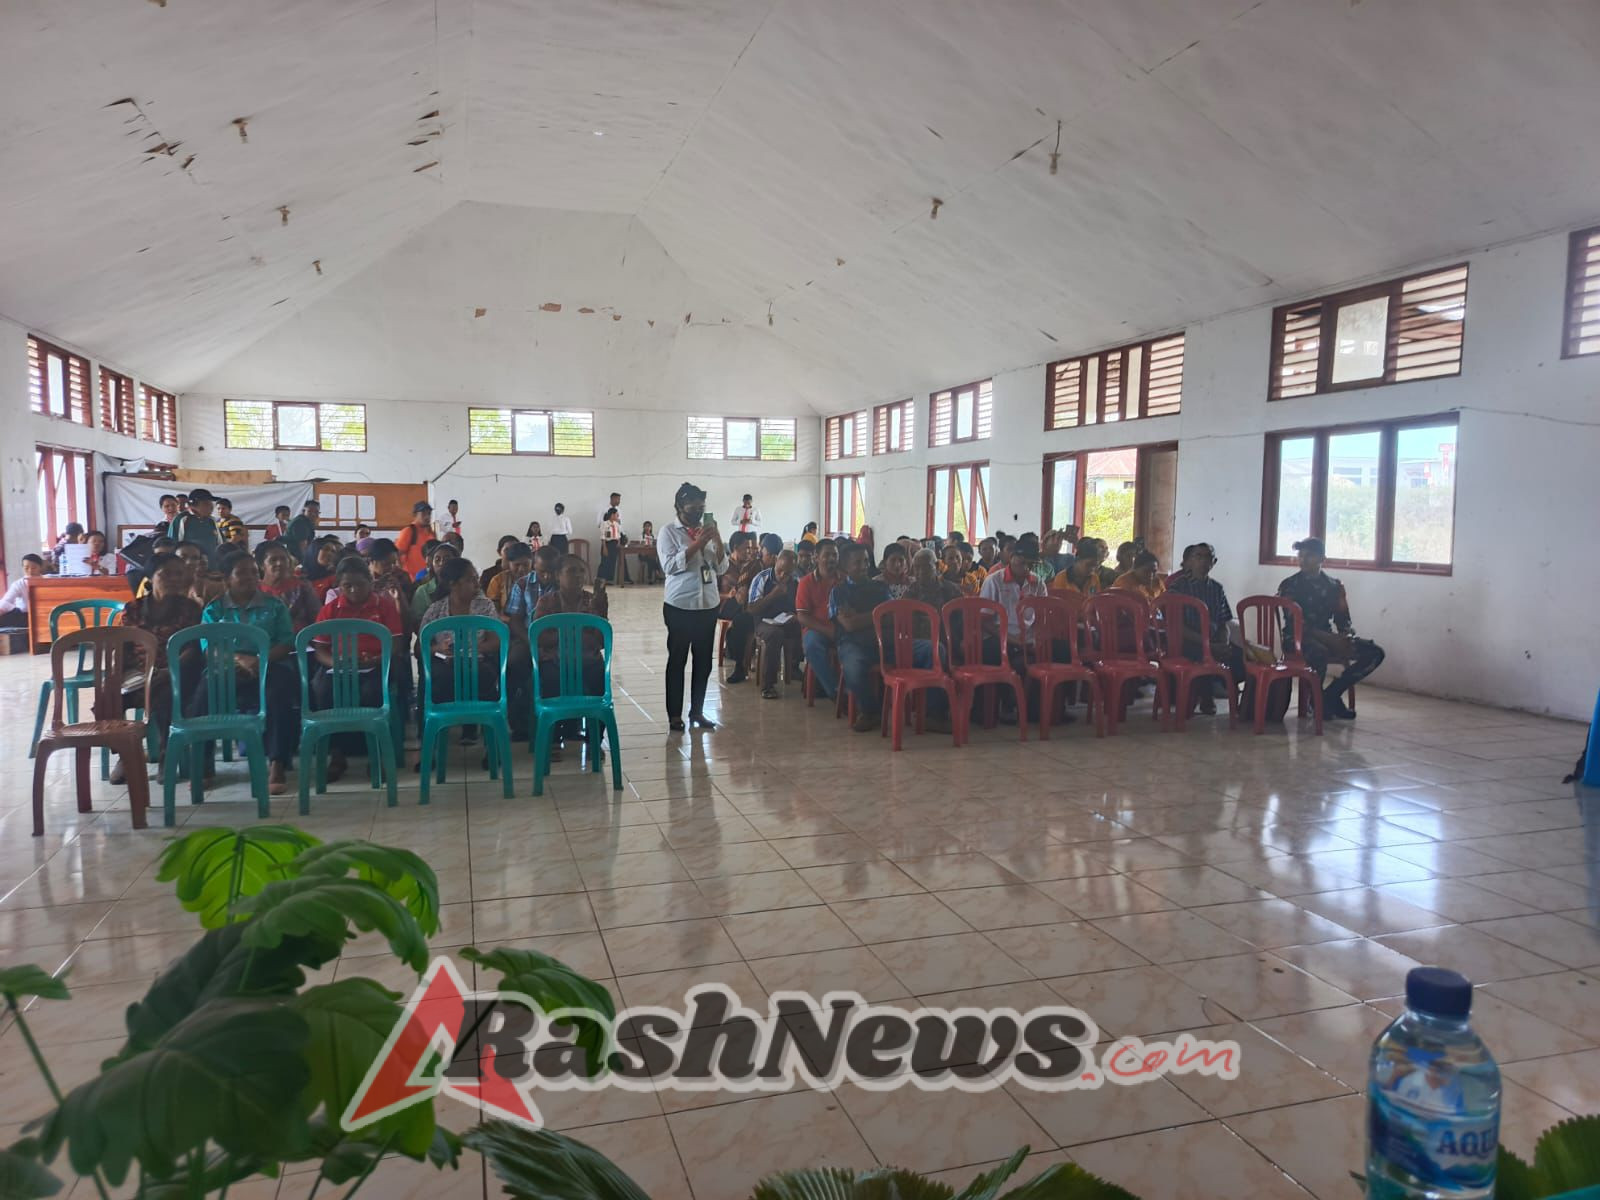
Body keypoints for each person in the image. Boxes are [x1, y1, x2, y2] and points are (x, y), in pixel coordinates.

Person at [197, 550, 298, 794]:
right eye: (242, 573)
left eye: (254, 572)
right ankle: (204, 764)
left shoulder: (274, 606)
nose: (251, 577)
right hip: (228, 667)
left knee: (279, 693)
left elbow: (286, 642)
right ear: (226, 577)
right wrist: (238, 658)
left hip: (269, 664)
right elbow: (207, 646)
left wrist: (259, 660)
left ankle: (277, 762)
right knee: (201, 697)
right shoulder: (215, 609)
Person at [310, 556, 405, 778]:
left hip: (376, 665)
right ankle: (337, 754)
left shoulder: (384, 606)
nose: (353, 590)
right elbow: (321, 650)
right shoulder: (331, 610)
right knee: (323, 690)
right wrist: (337, 663)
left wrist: (373, 660)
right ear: (339, 586)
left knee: (372, 692)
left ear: (370, 582)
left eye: (360, 584)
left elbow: (396, 644)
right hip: (340, 667)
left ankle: (376, 755)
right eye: (347, 586)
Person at [114, 552, 203, 781]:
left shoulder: (190, 609)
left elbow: (192, 649)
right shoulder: (133, 609)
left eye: (179, 574)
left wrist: (165, 672)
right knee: (110, 697)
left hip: (177, 671)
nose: (174, 579)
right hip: (140, 672)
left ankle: (167, 756)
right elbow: (124, 645)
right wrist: (116, 676)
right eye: (167, 574)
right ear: (151, 577)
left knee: (164, 698)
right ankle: (125, 755)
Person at [1278, 537, 1385, 721]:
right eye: (1300, 556)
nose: (1302, 560)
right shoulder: (1290, 585)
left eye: (1309, 556)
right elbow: (1297, 624)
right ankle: (1317, 701)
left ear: (1322, 558)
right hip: (1296, 640)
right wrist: (1331, 639)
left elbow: (1343, 619)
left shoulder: (1334, 586)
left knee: (1375, 653)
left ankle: (1331, 695)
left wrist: (1346, 634)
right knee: (1319, 652)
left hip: (1328, 637)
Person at [658, 482, 729, 731]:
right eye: (693, 508)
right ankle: (674, 715)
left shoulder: (708, 530)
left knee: (703, 662)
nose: (698, 512)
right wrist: (698, 544)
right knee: (678, 660)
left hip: (707, 605)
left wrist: (717, 539)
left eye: (702, 507)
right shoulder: (668, 532)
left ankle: (697, 712)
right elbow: (669, 566)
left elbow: (721, 568)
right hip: (680, 606)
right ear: (679, 507)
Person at [532, 555, 611, 757]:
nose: (577, 576)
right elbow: (541, 638)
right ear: (558, 576)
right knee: (550, 680)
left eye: (581, 571)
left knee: (598, 680)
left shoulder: (592, 600)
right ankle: (553, 737)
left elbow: (600, 640)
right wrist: (575, 634)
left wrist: (600, 610)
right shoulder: (547, 602)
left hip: (587, 659)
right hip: (554, 659)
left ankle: (595, 739)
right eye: (571, 571)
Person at [419, 556, 503, 745]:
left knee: (478, 674)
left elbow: (496, 642)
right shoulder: (436, 609)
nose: (477, 583)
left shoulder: (484, 606)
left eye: (476, 577)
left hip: (478, 662)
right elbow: (420, 647)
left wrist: (472, 649)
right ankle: (434, 739)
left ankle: (485, 737)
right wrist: (438, 648)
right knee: (438, 678)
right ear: (453, 584)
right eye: (470, 579)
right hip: (447, 664)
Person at [979, 533, 1048, 721]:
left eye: (1029, 564)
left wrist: (1034, 638)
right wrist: (1012, 639)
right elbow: (984, 622)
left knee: (1058, 651)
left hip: (1028, 637)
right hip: (999, 636)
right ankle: (1006, 706)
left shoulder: (1037, 583)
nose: (1024, 568)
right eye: (1021, 562)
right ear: (1012, 558)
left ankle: (1041, 710)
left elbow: (1042, 618)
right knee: (1001, 654)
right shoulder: (994, 580)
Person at [1169, 543, 1243, 715]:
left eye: (1208, 557)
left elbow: (1224, 622)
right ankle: (1205, 694)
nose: (1203, 561)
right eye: (1198, 556)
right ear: (1188, 561)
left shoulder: (1217, 589)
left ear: (1214, 562)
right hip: (1186, 642)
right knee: (1202, 655)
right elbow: (1176, 627)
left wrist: (1223, 641)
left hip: (1214, 642)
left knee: (1244, 659)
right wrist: (1208, 645)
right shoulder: (1178, 587)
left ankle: (1243, 709)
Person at [829, 544, 890, 731]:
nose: (864, 566)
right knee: (853, 666)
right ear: (845, 567)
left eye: (865, 561)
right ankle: (871, 712)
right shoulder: (838, 592)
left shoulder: (880, 587)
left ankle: (934, 714)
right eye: (857, 562)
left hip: (884, 641)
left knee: (932, 651)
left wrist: (862, 616)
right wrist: (878, 614)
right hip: (852, 643)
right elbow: (849, 625)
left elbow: (892, 615)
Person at [747, 548, 802, 699]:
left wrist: (796, 615)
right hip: (764, 622)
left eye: (788, 573)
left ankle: (798, 670)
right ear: (776, 562)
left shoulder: (796, 581)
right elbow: (751, 608)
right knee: (775, 634)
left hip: (786, 620)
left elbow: (802, 606)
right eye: (780, 571)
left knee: (807, 628)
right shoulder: (762, 578)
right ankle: (768, 685)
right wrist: (772, 595)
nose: (783, 576)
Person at [796, 539, 841, 700]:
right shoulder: (806, 582)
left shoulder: (844, 580)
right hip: (817, 630)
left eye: (834, 555)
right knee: (812, 645)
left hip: (843, 628)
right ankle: (835, 691)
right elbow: (802, 616)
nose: (831, 559)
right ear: (816, 557)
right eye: (827, 555)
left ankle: (854, 690)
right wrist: (828, 631)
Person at [718, 532, 760, 684]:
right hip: (725, 605)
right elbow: (713, 593)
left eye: (751, 549)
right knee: (740, 618)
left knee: (742, 619)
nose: (749, 552)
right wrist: (729, 596)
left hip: (747, 608)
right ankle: (740, 665)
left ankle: (739, 666)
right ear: (735, 548)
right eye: (746, 548)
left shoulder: (753, 567)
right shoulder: (723, 566)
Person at [257, 541, 321, 631]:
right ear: (262, 565)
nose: (279, 563)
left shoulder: (303, 587)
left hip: (299, 640)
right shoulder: (255, 590)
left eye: (283, 559)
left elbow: (317, 619)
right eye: (273, 560)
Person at [168, 489, 221, 565]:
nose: (211, 507)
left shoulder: (211, 521)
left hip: (212, 568)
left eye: (211, 504)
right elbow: (173, 545)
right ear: (193, 505)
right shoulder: (182, 519)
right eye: (207, 504)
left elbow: (221, 544)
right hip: (190, 569)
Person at [0, 554, 45, 628]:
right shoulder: (19, 583)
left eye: (34, 567)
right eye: (26, 568)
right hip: (24, 615)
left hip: (43, 614)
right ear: (23, 567)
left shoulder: (47, 581)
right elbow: (6, 601)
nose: (30, 571)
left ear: (40, 567)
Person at [488, 542, 533, 612]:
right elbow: (494, 612)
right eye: (517, 565)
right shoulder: (497, 580)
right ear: (509, 563)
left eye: (526, 564)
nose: (521, 569)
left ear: (532, 563)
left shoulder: (538, 579)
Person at [395, 501, 434, 578]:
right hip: (412, 580)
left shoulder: (431, 532)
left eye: (429, 514)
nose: (427, 517)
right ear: (415, 515)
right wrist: (402, 576)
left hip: (427, 579)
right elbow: (396, 555)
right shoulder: (409, 531)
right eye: (423, 514)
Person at [599, 507, 623, 584]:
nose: (617, 517)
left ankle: (610, 580)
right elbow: (603, 536)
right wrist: (604, 547)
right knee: (605, 562)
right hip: (607, 544)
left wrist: (618, 543)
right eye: (616, 515)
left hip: (615, 544)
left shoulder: (617, 524)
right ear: (612, 515)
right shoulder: (604, 524)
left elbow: (618, 534)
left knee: (612, 562)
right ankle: (601, 579)